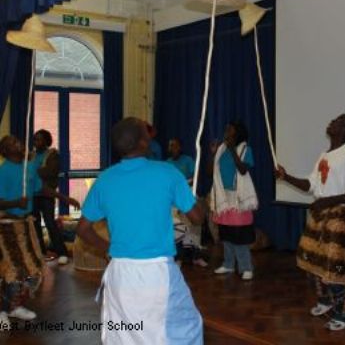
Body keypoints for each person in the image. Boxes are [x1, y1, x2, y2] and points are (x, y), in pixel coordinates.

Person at [77, 117, 204, 345]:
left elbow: (83, 229)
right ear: (144, 143)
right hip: (157, 274)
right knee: (183, 329)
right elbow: (197, 218)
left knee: (124, 335)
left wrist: (109, 249)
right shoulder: (168, 173)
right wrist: (190, 196)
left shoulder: (105, 179)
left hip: (119, 274)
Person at [276, 114, 345, 331]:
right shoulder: (324, 155)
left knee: (336, 268)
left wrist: (328, 200)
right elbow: (312, 185)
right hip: (321, 214)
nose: (333, 121)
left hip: (339, 218)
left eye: (339, 121)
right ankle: (326, 301)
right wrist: (285, 176)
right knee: (316, 262)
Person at [0, 135, 79, 330]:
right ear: (5, 151)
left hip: (25, 225)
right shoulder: (3, 171)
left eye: (18, 141)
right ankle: (2, 310)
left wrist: (64, 198)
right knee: (9, 271)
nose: (20, 143)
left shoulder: (29, 167)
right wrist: (14, 203)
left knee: (31, 268)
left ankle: (14, 306)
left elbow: (41, 189)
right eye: (13, 143)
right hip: (7, 226)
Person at [210, 121, 258, 281]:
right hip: (224, 198)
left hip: (238, 199)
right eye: (226, 129)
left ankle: (246, 267)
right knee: (226, 235)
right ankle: (229, 264)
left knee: (239, 236)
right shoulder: (221, 149)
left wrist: (232, 150)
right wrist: (213, 153)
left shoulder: (245, 149)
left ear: (237, 133)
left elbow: (243, 170)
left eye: (229, 130)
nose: (226, 132)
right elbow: (213, 172)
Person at [168, 138, 208, 267]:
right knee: (178, 228)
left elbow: (194, 178)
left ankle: (196, 256)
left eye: (174, 145)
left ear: (180, 147)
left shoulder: (188, 160)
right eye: (170, 146)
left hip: (187, 195)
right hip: (173, 200)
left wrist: (184, 185)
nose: (172, 148)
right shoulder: (167, 164)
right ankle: (179, 257)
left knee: (193, 227)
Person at [32, 129, 69, 265]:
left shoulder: (52, 154)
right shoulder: (32, 155)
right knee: (35, 224)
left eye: (39, 139)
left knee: (50, 223)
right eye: (35, 139)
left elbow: (50, 171)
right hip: (33, 194)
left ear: (47, 141)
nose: (36, 142)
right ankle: (41, 252)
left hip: (46, 194)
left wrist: (33, 171)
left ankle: (62, 252)